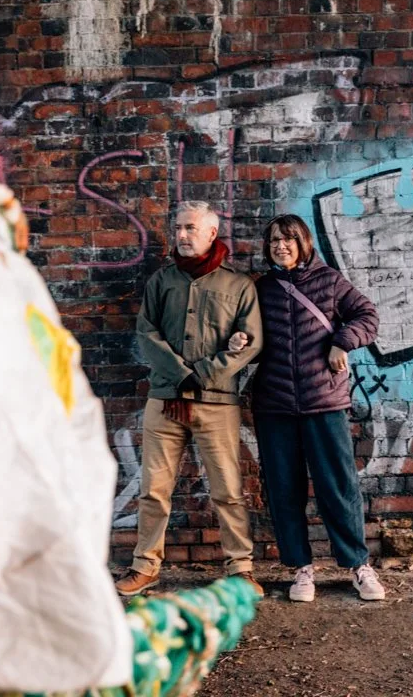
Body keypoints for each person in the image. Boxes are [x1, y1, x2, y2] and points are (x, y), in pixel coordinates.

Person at [116, 201, 264, 598]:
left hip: (217, 403)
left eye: (190, 228)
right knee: (154, 490)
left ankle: (240, 569)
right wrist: (183, 374)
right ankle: (145, 566)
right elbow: (147, 333)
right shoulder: (162, 282)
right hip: (165, 400)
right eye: (178, 227)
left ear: (211, 233)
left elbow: (250, 343)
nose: (181, 235)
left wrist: (205, 374)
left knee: (228, 490)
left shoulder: (238, 286)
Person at [235, 213, 384, 602]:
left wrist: (342, 341)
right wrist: (237, 341)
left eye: (288, 239)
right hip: (274, 405)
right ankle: (302, 569)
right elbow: (247, 336)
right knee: (284, 490)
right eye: (273, 241)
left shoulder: (330, 281)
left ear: (304, 243)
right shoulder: (260, 289)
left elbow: (368, 316)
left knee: (338, 486)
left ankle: (357, 566)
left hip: (325, 402)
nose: (280, 246)